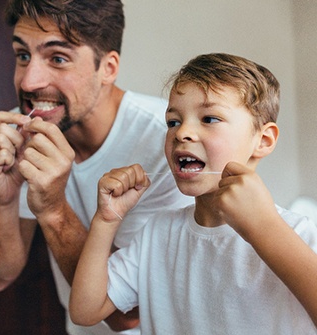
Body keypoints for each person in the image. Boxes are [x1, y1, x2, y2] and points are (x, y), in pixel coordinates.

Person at [0, 1, 192, 334]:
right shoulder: (23, 136)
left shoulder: (169, 144)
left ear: (108, 68)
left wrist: (53, 210)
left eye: (57, 58)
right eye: (22, 55)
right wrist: (1, 199)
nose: (29, 82)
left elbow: (127, 314)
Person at [69, 53, 317, 334]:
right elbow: (85, 310)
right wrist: (106, 220)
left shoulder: (299, 233)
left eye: (209, 118)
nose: (182, 132)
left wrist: (264, 227)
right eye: (173, 122)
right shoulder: (158, 233)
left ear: (263, 140)